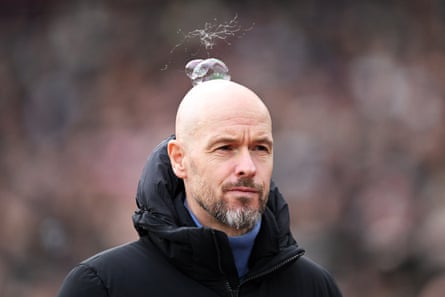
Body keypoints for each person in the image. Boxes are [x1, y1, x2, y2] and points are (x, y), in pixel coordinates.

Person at [57, 79, 343, 297]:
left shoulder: (315, 288)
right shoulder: (103, 286)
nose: (248, 166)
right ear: (179, 160)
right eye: (225, 148)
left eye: (260, 148)